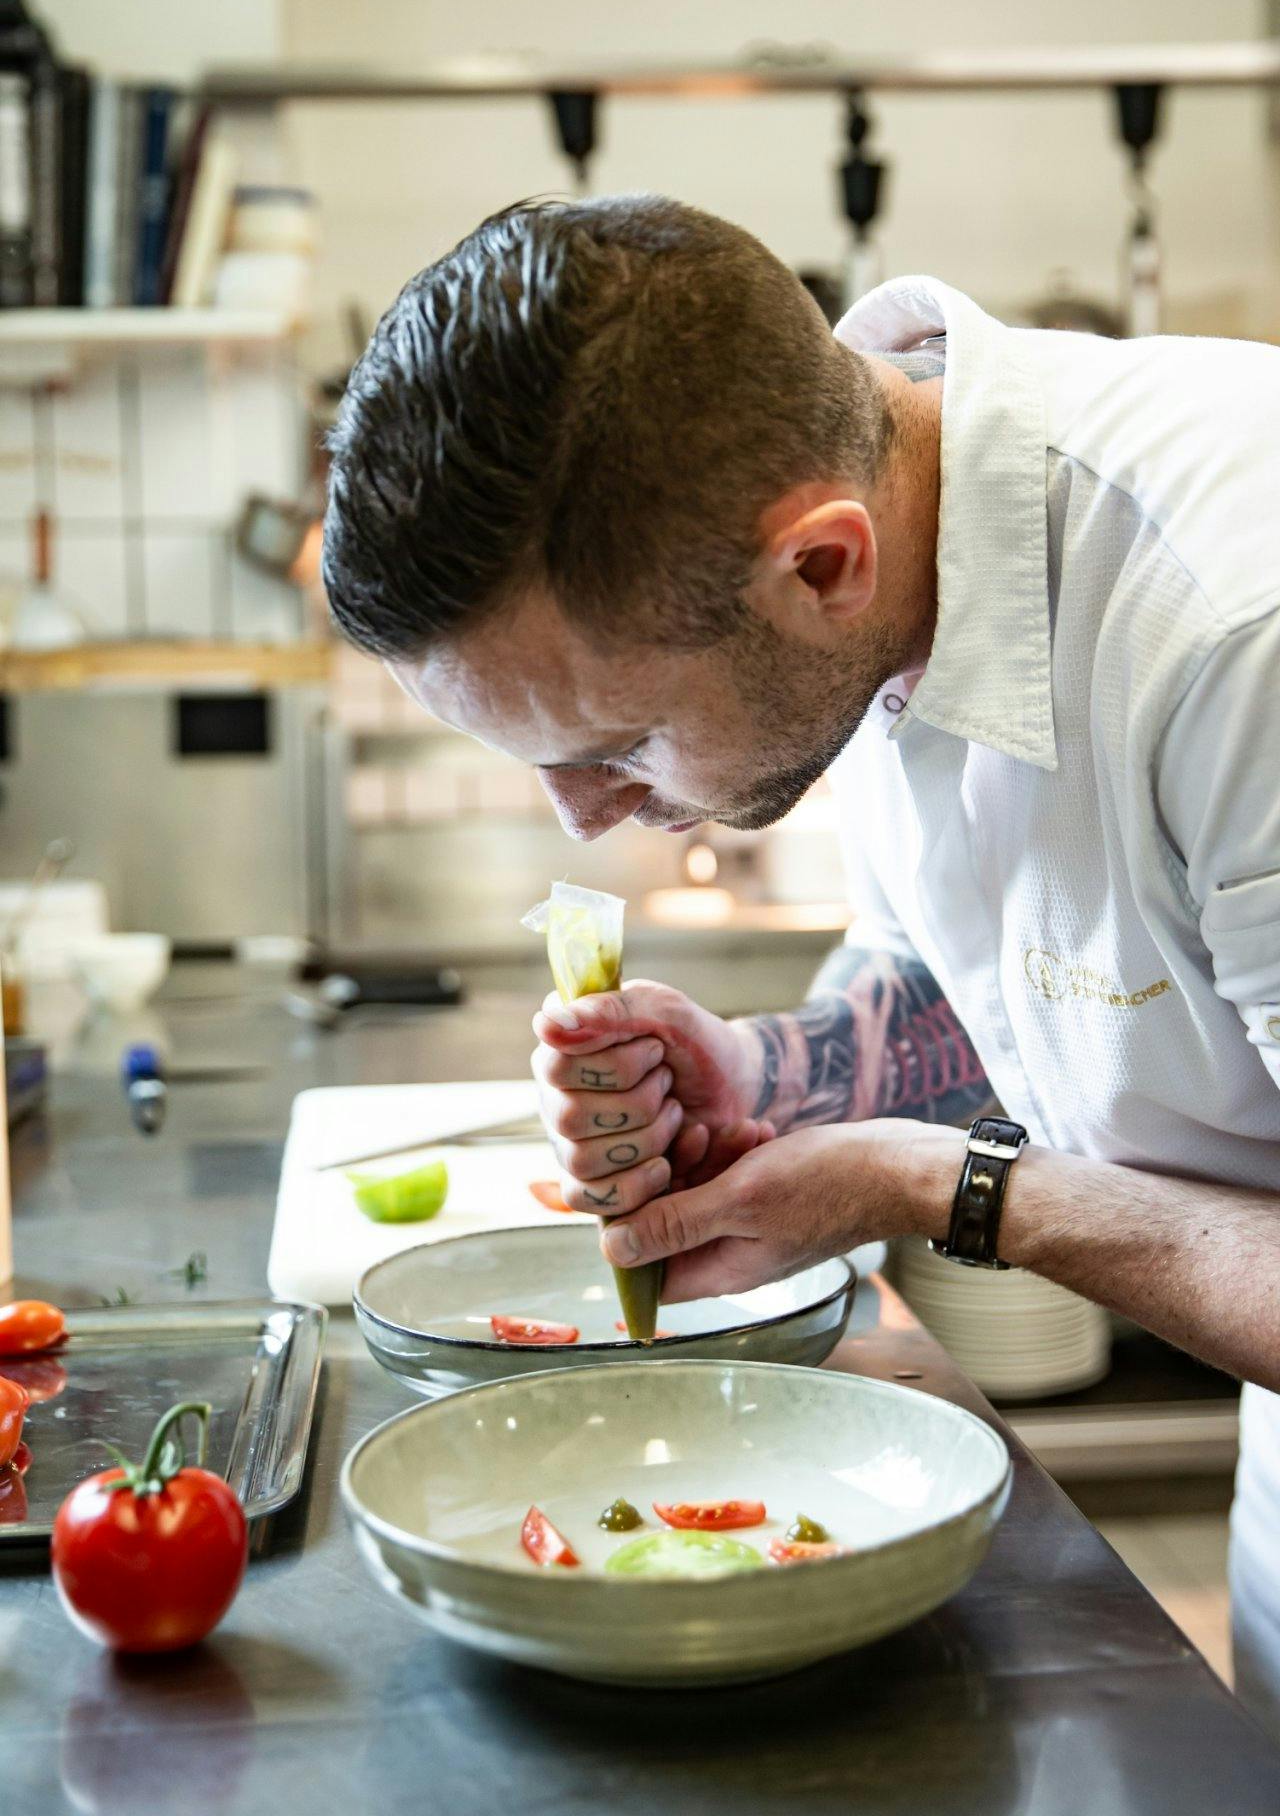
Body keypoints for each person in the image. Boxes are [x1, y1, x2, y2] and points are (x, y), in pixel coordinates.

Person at [322, 194, 1280, 1731]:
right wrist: (771, 1074)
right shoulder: (881, 539)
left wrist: (932, 1185)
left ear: (821, 569)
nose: (590, 817)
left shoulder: (1239, 628)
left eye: (620, 741)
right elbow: (1019, 973)